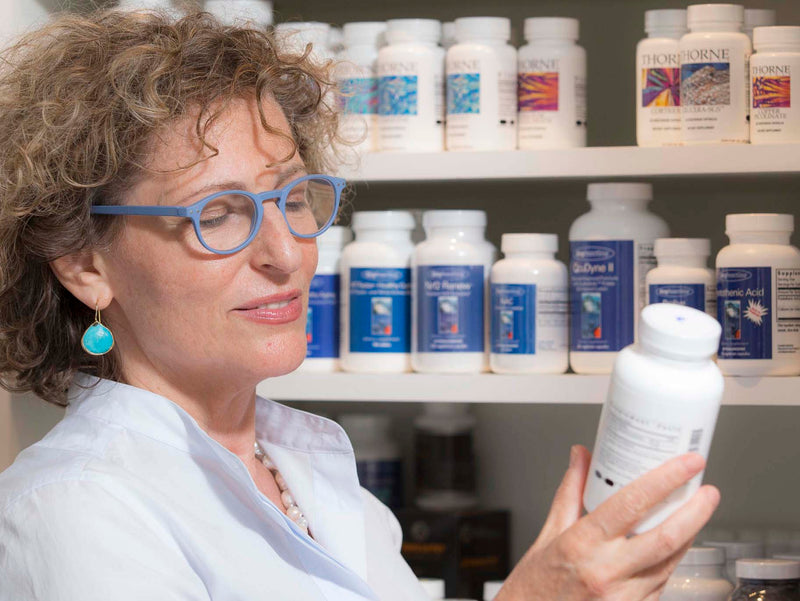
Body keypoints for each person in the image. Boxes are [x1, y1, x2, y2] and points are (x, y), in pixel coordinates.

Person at [0, 10, 720, 601]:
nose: (285, 254)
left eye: (292, 198)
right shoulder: (75, 508)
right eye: (217, 213)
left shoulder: (310, 470)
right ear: (85, 264)